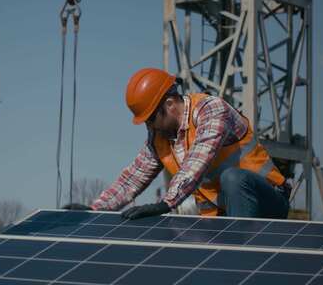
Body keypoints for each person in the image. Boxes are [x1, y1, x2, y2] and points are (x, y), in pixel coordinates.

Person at [65, 68, 290, 220]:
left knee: (232, 178)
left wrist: (167, 203)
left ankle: (242, 258)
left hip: (265, 204)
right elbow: (132, 178)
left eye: (152, 119)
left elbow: (198, 160)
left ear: (170, 104)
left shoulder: (210, 110)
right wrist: (95, 210)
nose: (150, 127)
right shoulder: (160, 139)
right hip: (220, 220)